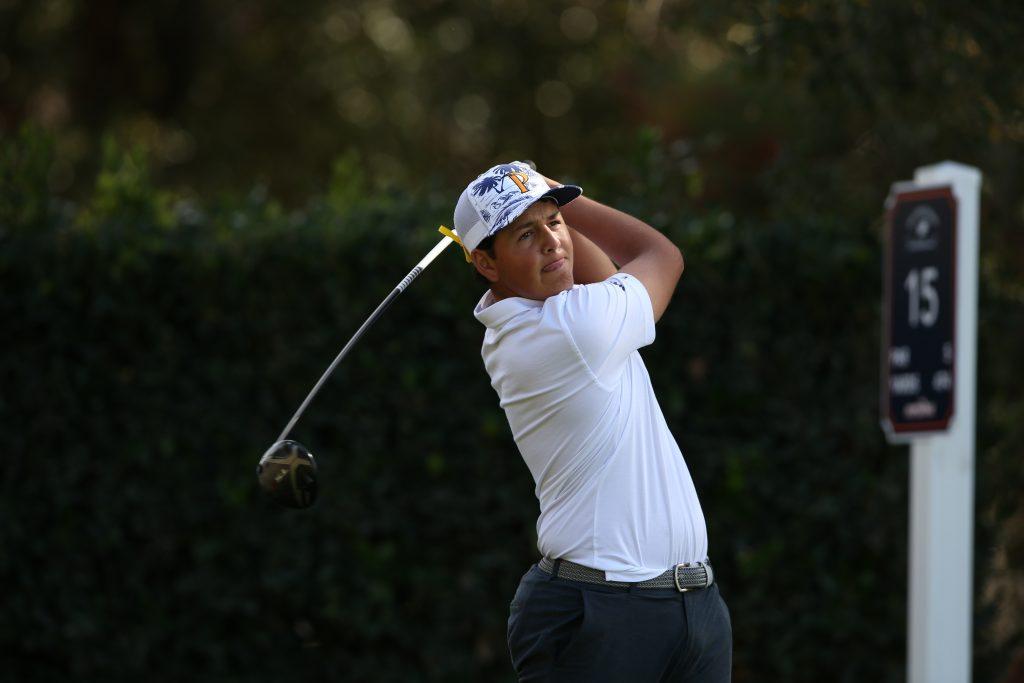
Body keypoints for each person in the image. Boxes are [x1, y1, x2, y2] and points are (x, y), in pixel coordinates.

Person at [453, 161, 732, 682]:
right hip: (603, 612)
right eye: (525, 234)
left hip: (690, 604)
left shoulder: (553, 316)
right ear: (486, 264)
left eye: (554, 224)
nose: (552, 243)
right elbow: (659, 256)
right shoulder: (572, 330)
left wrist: (548, 208)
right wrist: (562, 195)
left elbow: (607, 275)